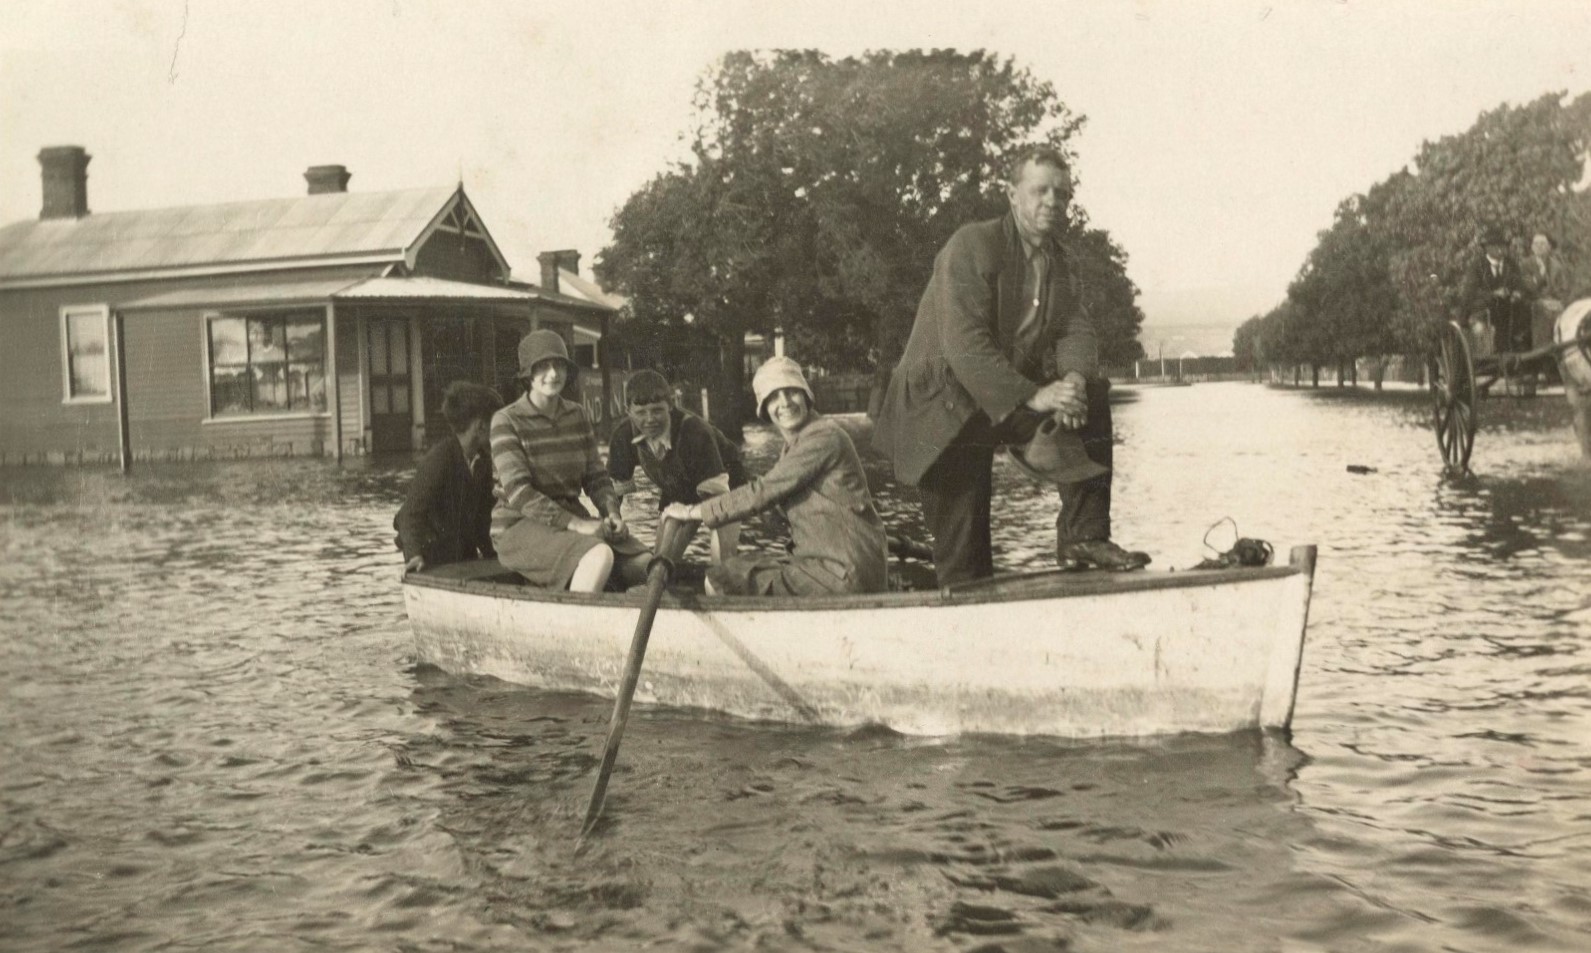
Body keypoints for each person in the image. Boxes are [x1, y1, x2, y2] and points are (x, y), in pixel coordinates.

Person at [871, 144, 1148, 586]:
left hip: (999, 399)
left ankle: (1083, 536)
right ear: (1012, 194)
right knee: (966, 569)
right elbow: (965, 347)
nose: (1052, 203)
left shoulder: (1063, 261)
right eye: (1040, 191)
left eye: (1062, 193)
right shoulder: (972, 245)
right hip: (941, 410)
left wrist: (1072, 381)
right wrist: (1037, 395)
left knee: (1092, 395)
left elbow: (1076, 330)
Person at [663, 357, 886, 596]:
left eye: (792, 392)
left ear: (806, 395)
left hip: (841, 573)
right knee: (743, 565)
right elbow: (765, 495)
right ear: (765, 408)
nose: (785, 403)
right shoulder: (797, 443)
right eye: (774, 397)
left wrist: (690, 512)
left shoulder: (824, 437)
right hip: (840, 565)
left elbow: (763, 492)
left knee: (720, 578)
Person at [489, 329, 650, 593]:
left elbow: (596, 477)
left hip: (572, 522)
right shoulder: (506, 421)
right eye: (542, 367)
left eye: (559, 365)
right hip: (518, 527)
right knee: (599, 556)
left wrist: (612, 514)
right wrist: (579, 525)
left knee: (647, 565)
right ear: (528, 374)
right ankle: (575, 628)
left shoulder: (577, 415)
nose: (552, 374)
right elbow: (519, 493)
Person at [608, 368, 748, 564]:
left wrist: (689, 517)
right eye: (641, 413)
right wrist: (611, 520)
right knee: (660, 561)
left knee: (721, 566)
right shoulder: (622, 436)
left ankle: (722, 584)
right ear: (628, 411)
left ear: (671, 405)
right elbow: (613, 493)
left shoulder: (695, 432)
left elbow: (715, 500)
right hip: (677, 486)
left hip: (724, 486)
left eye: (657, 410)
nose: (649, 419)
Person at [394, 380, 501, 577]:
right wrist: (414, 556)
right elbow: (409, 515)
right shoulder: (439, 458)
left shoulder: (482, 460)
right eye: (496, 423)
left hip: (464, 556)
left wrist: (493, 555)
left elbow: (483, 518)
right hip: (432, 561)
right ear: (480, 426)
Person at [1463, 226, 1529, 388]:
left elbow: (1521, 284)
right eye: (1497, 246)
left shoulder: (1511, 264)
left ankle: (1518, 355)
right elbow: (1469, 293)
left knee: (1525, 313)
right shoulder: (1477, 266)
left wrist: (1518, 293)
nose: (1501, 250)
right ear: (1488, 248)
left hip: (1507, 311)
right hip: (1482, 309)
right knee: (1482, 327)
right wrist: (1493, 294)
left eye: (1504, 247)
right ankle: (1486, 357)